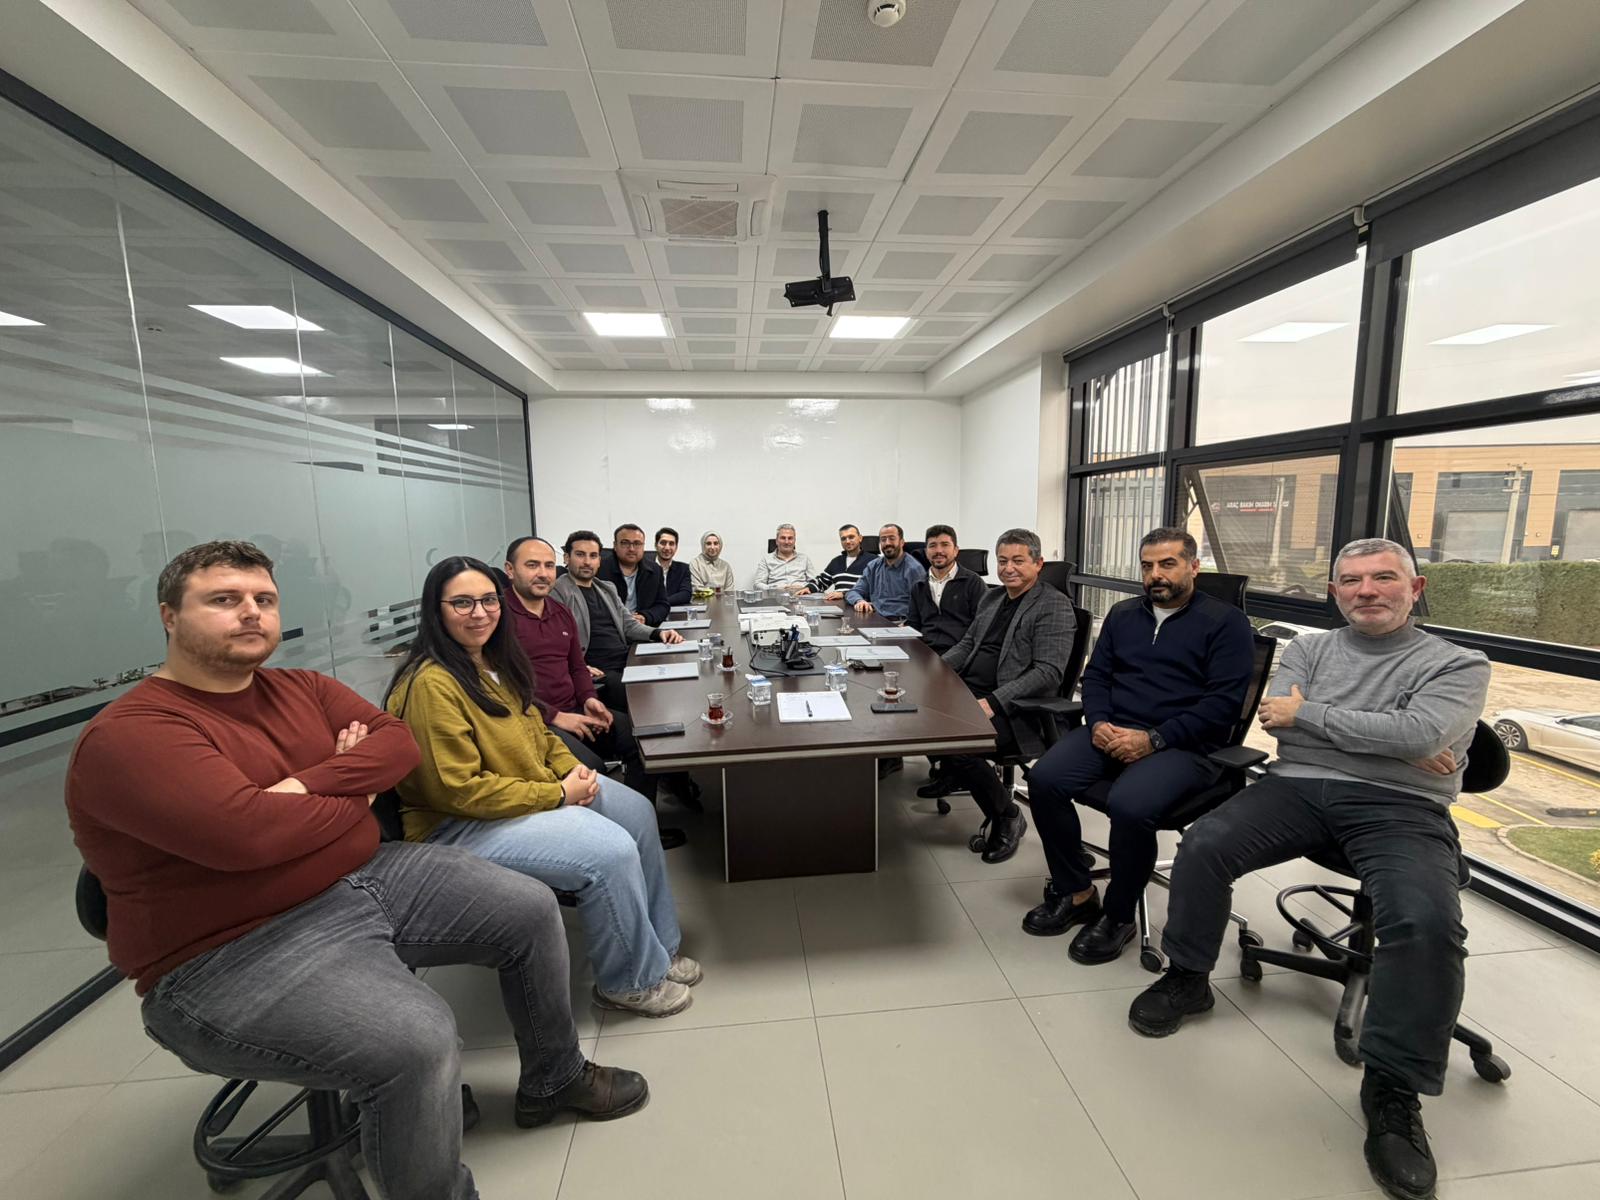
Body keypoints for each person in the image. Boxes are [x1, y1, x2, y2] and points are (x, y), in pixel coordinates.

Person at [66, 541, 647, 1200]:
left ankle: (553, 1078)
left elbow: (396, 748)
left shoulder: (302, 687)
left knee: (529, 909)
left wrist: (303, 787)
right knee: (419, 1042)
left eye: (264, 599)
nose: (251, 613)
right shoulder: (133, 734)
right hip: (227, 953)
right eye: (224, 600)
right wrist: (353, 791)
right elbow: (250, 838)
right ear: (169, 616)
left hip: (363, 875)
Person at [1129, 538, 1489, 1200]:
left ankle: (1392, 1089)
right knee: (1204, 844)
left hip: (1403, 805)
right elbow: (1281, 727)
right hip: (1295, 787)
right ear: (1334, 592)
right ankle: (1188, 978)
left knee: (1427, 921)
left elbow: (1422, 738)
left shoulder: (1458, 663)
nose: (1366, 590)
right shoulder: (1308, 649)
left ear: (1416, 588)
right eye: (1351, 580)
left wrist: (1327, 720)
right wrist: (1392, 735)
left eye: (1384, 578)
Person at [386, 556, 701, 1019]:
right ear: (436, 611)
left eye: (488, 600)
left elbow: (538, 730)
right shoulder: (432, 684)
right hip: (460, 825)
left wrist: (573, 773)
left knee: (636, 811)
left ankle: (659, 947)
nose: (480, 613)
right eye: (462, 603)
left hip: (524, 793)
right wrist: (557, 795)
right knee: (608, 850)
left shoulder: (491, 662)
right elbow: (458, 792)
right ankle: (629, 981)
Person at [1022, 527, 1253, 965]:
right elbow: (1096, 677)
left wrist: (1154, 739)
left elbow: (1222, 706)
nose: (1155, 575)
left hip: (1187, 745)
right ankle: (1077, 892)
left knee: (1129, 804)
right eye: (1147, 566)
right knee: (1045, 778)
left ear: (1193, 567)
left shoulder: (1226, 623)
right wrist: (1098, 722)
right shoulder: (1124, 614)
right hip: (1114, 730)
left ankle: (1118, 915)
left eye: (1168, 564)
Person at [929, 529, 1076, 864]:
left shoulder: (1054, 606)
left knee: (958, 743)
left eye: (1018, 561)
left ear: (1038, 564)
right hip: (972, 692)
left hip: (1017, 710)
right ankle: (954, 774)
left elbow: (1047, 672)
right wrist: (932, 669)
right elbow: (968, 644)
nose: (1009, 568)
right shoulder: (993, 598)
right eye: (1003, 561)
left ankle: (1007, 816)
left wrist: (992, 703)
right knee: (919, 715)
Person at [503, 535, 653, 801]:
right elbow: (501, 687)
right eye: (532, 565)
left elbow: (577, 667)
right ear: (510, 570)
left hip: (574, 709)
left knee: (643, 742)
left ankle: (637, 813)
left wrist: (589, 699)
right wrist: (555, 716)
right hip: (534, 720)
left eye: (549, 566)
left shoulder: (561, 612)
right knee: (591, 770)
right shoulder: (497, 617)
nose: (543, 573)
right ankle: (605, 822)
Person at [552, 530, 684, 711]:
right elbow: (556, 641)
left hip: (625, 658)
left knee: (674, 676)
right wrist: (577, 667)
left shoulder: (606, 588)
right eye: (580, 555)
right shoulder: (558, 590)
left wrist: (658, 633)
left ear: (599, 560)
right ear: (567, 558)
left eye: (593, 556)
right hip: (599, 669)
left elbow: (628, 624)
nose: (587, 562)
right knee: (647, 700)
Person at [909, 524, 986, 654]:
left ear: (956, 550)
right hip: (925, 652)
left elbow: (981, 628)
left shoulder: (973, 582)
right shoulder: (918, 585)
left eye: (945, 545)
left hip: (961, 653)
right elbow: (913, 626)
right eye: (932, 546)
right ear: (926, 552)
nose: (938, 551)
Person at [846, 524, 926, 620]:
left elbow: (922, 606)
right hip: (874, 619)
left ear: (902, 542)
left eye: (892, 538)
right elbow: (853, 592)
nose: (887, 543)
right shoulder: (873, 566)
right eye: (883, 539)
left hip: (900, 622)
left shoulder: (913, 569)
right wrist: (859, 601)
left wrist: (908, 624)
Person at [600, 523, 668, 626]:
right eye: (625, 543)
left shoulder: (655, 570)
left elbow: (662, 605)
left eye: (637, 543)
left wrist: (645, 617)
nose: (631, 548)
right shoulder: (599, 570)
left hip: (642, 628)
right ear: (615, 545)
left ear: (643, 546)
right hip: (609, 628)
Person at [804, 523, 874, 599]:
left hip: (860, 604)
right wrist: (808, 588)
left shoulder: (873, 561)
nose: (847, 541)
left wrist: (844, 594)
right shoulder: (836, 561)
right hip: (837, 604)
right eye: (843, 539)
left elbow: (874, 589)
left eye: (851, 537)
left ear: (860, 538)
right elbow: (822, 582)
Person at [752, 523, 812, 592]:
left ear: (794, 541)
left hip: (800, 595)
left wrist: (802, 587)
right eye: (783, 538)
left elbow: (815, 582)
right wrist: (776, 588)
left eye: (790, 538)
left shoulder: (804, 559)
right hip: (775, 596)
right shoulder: (766, 560)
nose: (786, 542)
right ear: (776, 541)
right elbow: (757, 585)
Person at [655, 526, 692, 608]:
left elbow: (686, 594)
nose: (667, 547)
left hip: (674, 612)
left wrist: (662, 603)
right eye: (663, 543)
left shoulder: (683, 569)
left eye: (671, 544)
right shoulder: (645, 567)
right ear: (656, 545)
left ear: (676, 547)